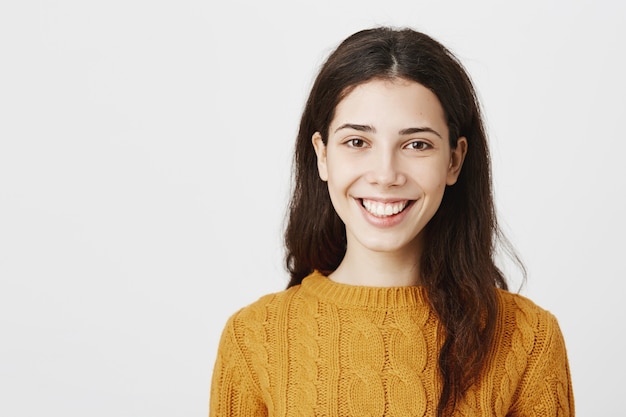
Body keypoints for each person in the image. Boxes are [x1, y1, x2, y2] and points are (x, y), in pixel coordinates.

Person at [209, 27, 574, 417]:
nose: (385, 175)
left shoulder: (529, 339)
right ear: (322, 155)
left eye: (417, 144)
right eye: (357, 142)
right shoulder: (252, 339)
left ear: (454, 160)